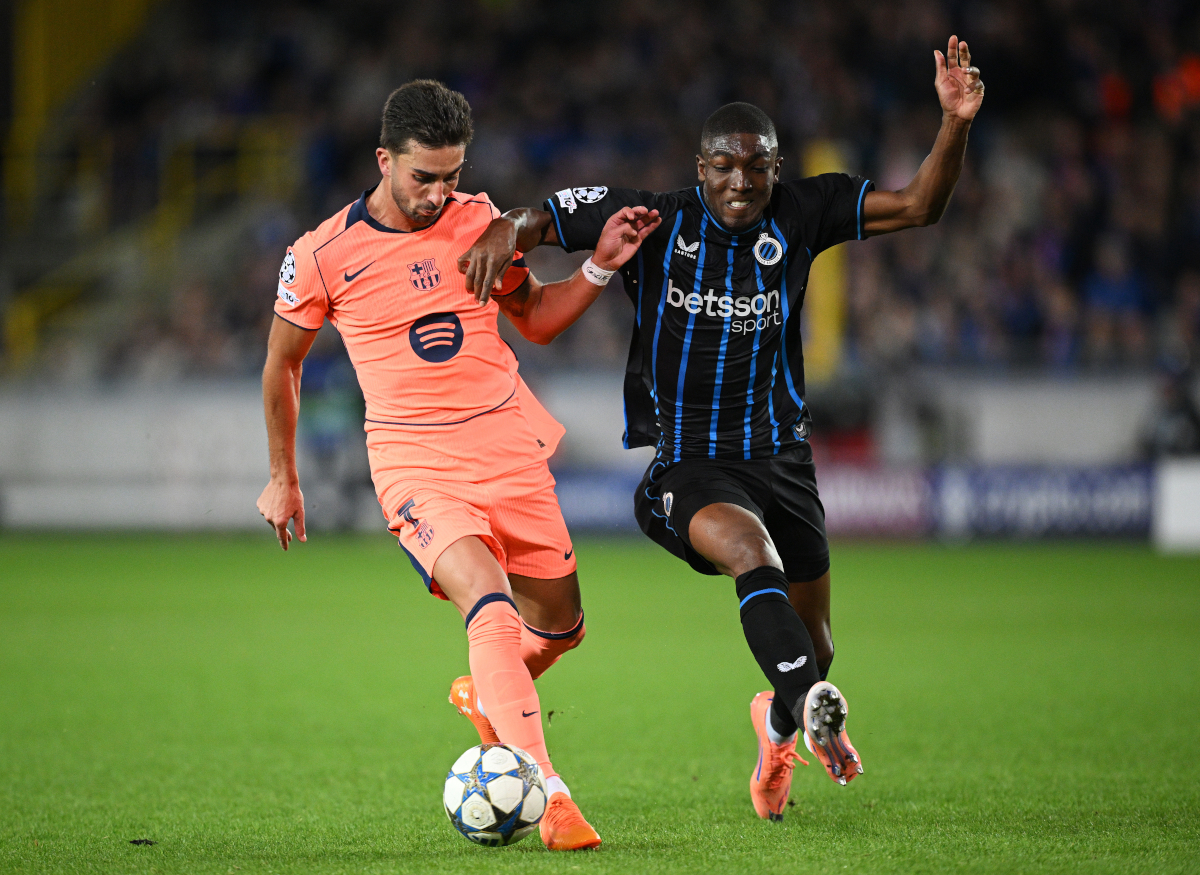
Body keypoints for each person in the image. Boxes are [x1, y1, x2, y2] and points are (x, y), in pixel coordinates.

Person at [460, 37, 984, 821]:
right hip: (688, 469)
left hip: (783, 458)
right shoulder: (653, 219)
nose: (741, 181)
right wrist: (508, 227)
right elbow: (547, 217)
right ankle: (811, 706)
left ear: (777, 168)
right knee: (753, 555)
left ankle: (778, 733)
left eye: (757, 166)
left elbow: (919, 206)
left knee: (816, 646)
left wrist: (954, 122)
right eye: (724, 165)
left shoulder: (806, 210)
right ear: (699, 166)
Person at [256, 79, 659, 850]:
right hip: (415, 462)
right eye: (424, 177)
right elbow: (282, 366)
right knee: (489, 601)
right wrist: (284, 473)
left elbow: (534, 319)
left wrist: (601, 268)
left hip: (507, 448)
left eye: (452, 174)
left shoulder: (480, 221)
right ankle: (552, 792)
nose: (442, 193)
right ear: (384, 159)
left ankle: (488, 698)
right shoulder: (320, 256)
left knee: (563, 627)